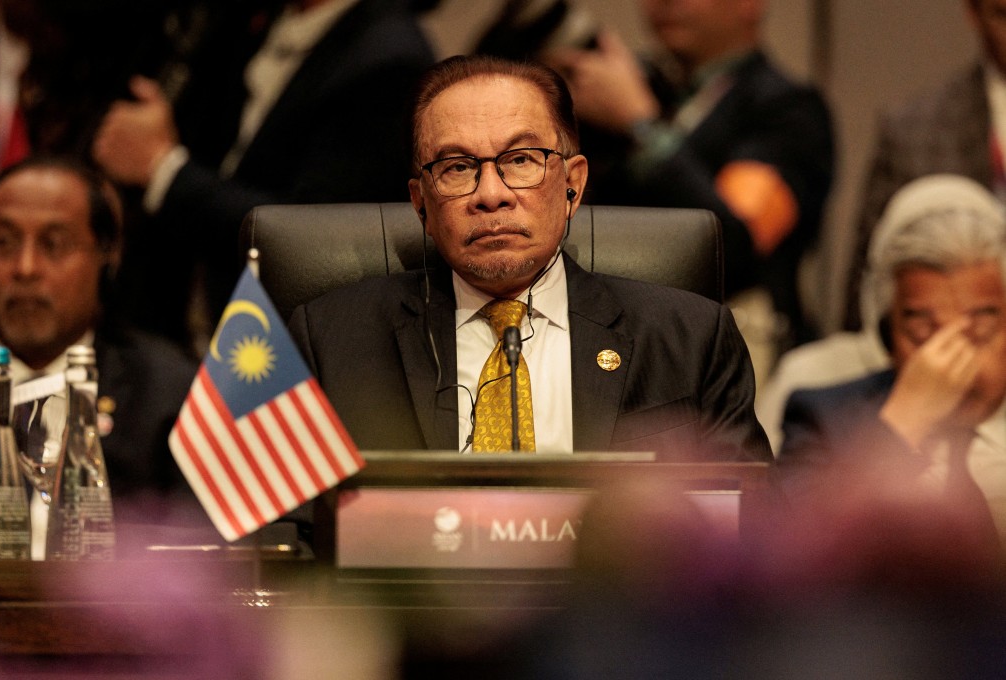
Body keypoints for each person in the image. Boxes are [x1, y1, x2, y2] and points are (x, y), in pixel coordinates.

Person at [288, 54, 771, 461]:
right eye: (457, 168)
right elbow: (280, 537)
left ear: (572, 186)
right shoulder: (331, 342)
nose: (491, 195)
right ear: (421, 204)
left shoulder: (690, 342)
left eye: (520, 160)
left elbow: (751, 532)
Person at [91, 0, 435, 353]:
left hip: (271, 353)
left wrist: (162, 171)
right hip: (177, 318)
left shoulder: (388, 57)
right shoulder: (259, 15)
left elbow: (309, 237)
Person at [546, 0, 834, 367]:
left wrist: (640, 127)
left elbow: (732, 242)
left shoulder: (787, 109)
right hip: (619, 344)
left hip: (735, 354)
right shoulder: (643, 88)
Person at [0, 156, 212, 556]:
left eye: (54, 245)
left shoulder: (169, 391)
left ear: (107, 254)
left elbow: (202, 561)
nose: (25, 268)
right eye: (3, 243)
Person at [778, 174, 1006, 546]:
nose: (949, 358)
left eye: (979, 328)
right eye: (923, 331)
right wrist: (903, 425)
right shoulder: (821, 420)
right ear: (886, 332)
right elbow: (797, 563)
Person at [844, 0, 1006, 330]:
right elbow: (868, 279)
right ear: (973, 14)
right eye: (1003, 15)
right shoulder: (913, 129)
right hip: (952, 345)